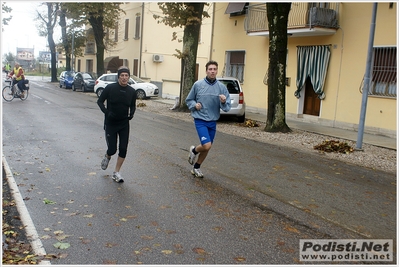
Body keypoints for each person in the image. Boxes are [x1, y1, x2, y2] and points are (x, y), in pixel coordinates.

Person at [185, 60, 231, 178]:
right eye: (210, 69)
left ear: (217, 71)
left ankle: (196, 168)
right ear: (206, 71)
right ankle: (194, 150)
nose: (212, 71)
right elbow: (189, 100)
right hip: (200, 119)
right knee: (206, 145)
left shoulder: (221, 87)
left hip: (212, 120)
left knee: (207, 147)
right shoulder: (198, 85)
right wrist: (195, 105)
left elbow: (227, 107)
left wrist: (224, 101)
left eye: (214, 69)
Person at [97, 66, 137, 183]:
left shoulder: (132, 91)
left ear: (129, 77)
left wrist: (132, 113)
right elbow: (100, 102)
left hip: (124, 123)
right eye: (122, 75)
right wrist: (107, 113)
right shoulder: (110, 88)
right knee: (112, 149)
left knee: (123, 148)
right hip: (111, 123)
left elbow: (133, 105)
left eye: (126, 75)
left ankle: (116, 172)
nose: (124, 78)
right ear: (118, 77)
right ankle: (108, 156)